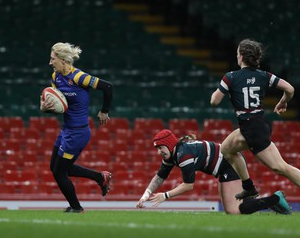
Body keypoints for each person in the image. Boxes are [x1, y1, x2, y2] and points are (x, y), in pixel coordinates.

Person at [210, 38, 300, 200]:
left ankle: (249, 187)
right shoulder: (264, 75)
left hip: (252, 129)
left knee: (280, 168)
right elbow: (290, 89)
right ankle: (249, 187)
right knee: (225, 149)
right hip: (256, 125)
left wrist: (222, 90)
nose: (237, 56)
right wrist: (283, 102)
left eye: (238, 53)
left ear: (242, 57)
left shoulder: (230, 77)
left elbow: (214, 101)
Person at [136, 129, 292, 215]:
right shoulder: (173, 154)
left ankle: (275, 199)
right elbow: (159, 176)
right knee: (233, 210)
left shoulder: (184, 155)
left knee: (235, 210)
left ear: (169, 145)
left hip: (230, 165)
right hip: (225, 167)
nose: (159, 152)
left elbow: (188, 185)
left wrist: (165, 196)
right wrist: (145, 195)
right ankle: (274, 200)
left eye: (160, 148)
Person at [40, 42, 113, 213]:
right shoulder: (55, 77)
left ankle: (76, 207)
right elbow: (59, 105)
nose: (50, 63)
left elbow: (108, 87)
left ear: (64, 60)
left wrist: (104, 111)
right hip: (66, 130)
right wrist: (46, 108)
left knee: (59, 172)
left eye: (53, 59)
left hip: (78, 133)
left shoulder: (79, 77)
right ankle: (100, 177)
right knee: (56, 168)